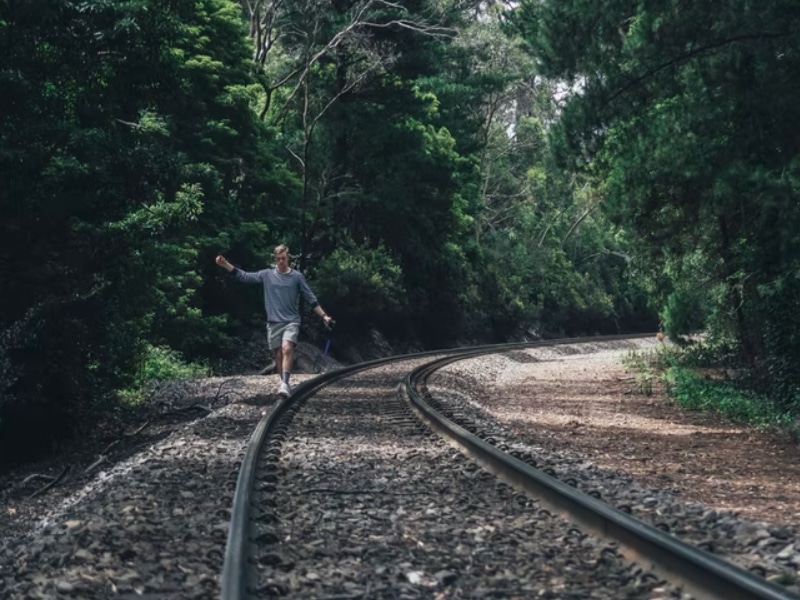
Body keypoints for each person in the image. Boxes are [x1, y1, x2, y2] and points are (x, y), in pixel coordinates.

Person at [215, 244, 333, 396]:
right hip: (273, 322)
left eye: (283, 259)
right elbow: (245, 276)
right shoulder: (267, 275)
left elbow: (310, 298)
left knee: (287, 348)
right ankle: (283, 381)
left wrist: (324, 316)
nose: (281, 262)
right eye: (278, 259)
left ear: (288, 258)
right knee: (278, 355)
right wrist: (225, 265)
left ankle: (285, 384)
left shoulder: (297, 277)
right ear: (275, 259)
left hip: (291, 321)